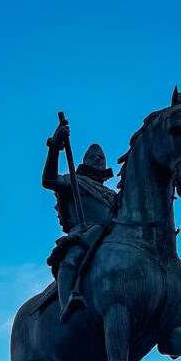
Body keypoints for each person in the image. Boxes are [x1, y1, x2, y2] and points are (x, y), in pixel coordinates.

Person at [42, 119, 116, 323]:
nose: (98, 160)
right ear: (85, 160)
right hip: (85, 233)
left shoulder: (113, 195)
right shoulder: (75, 181)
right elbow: (49, 180)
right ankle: (67, 301)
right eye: (93, 157)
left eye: (101, 157)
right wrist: (55, 146)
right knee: (74, 254)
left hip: (114, 237)